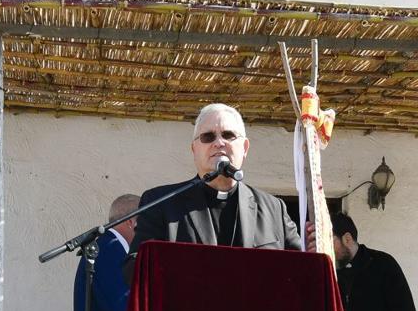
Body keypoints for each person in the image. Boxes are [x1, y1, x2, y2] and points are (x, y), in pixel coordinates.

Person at [129, 103, 302, 257]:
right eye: (208, 137)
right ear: (194, 149)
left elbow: (300, 268)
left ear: (245, 148)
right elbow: (135, 269)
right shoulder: (161, 203)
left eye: (228, 135)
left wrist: (317, 248)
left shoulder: (274, 208)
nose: (219, 142)